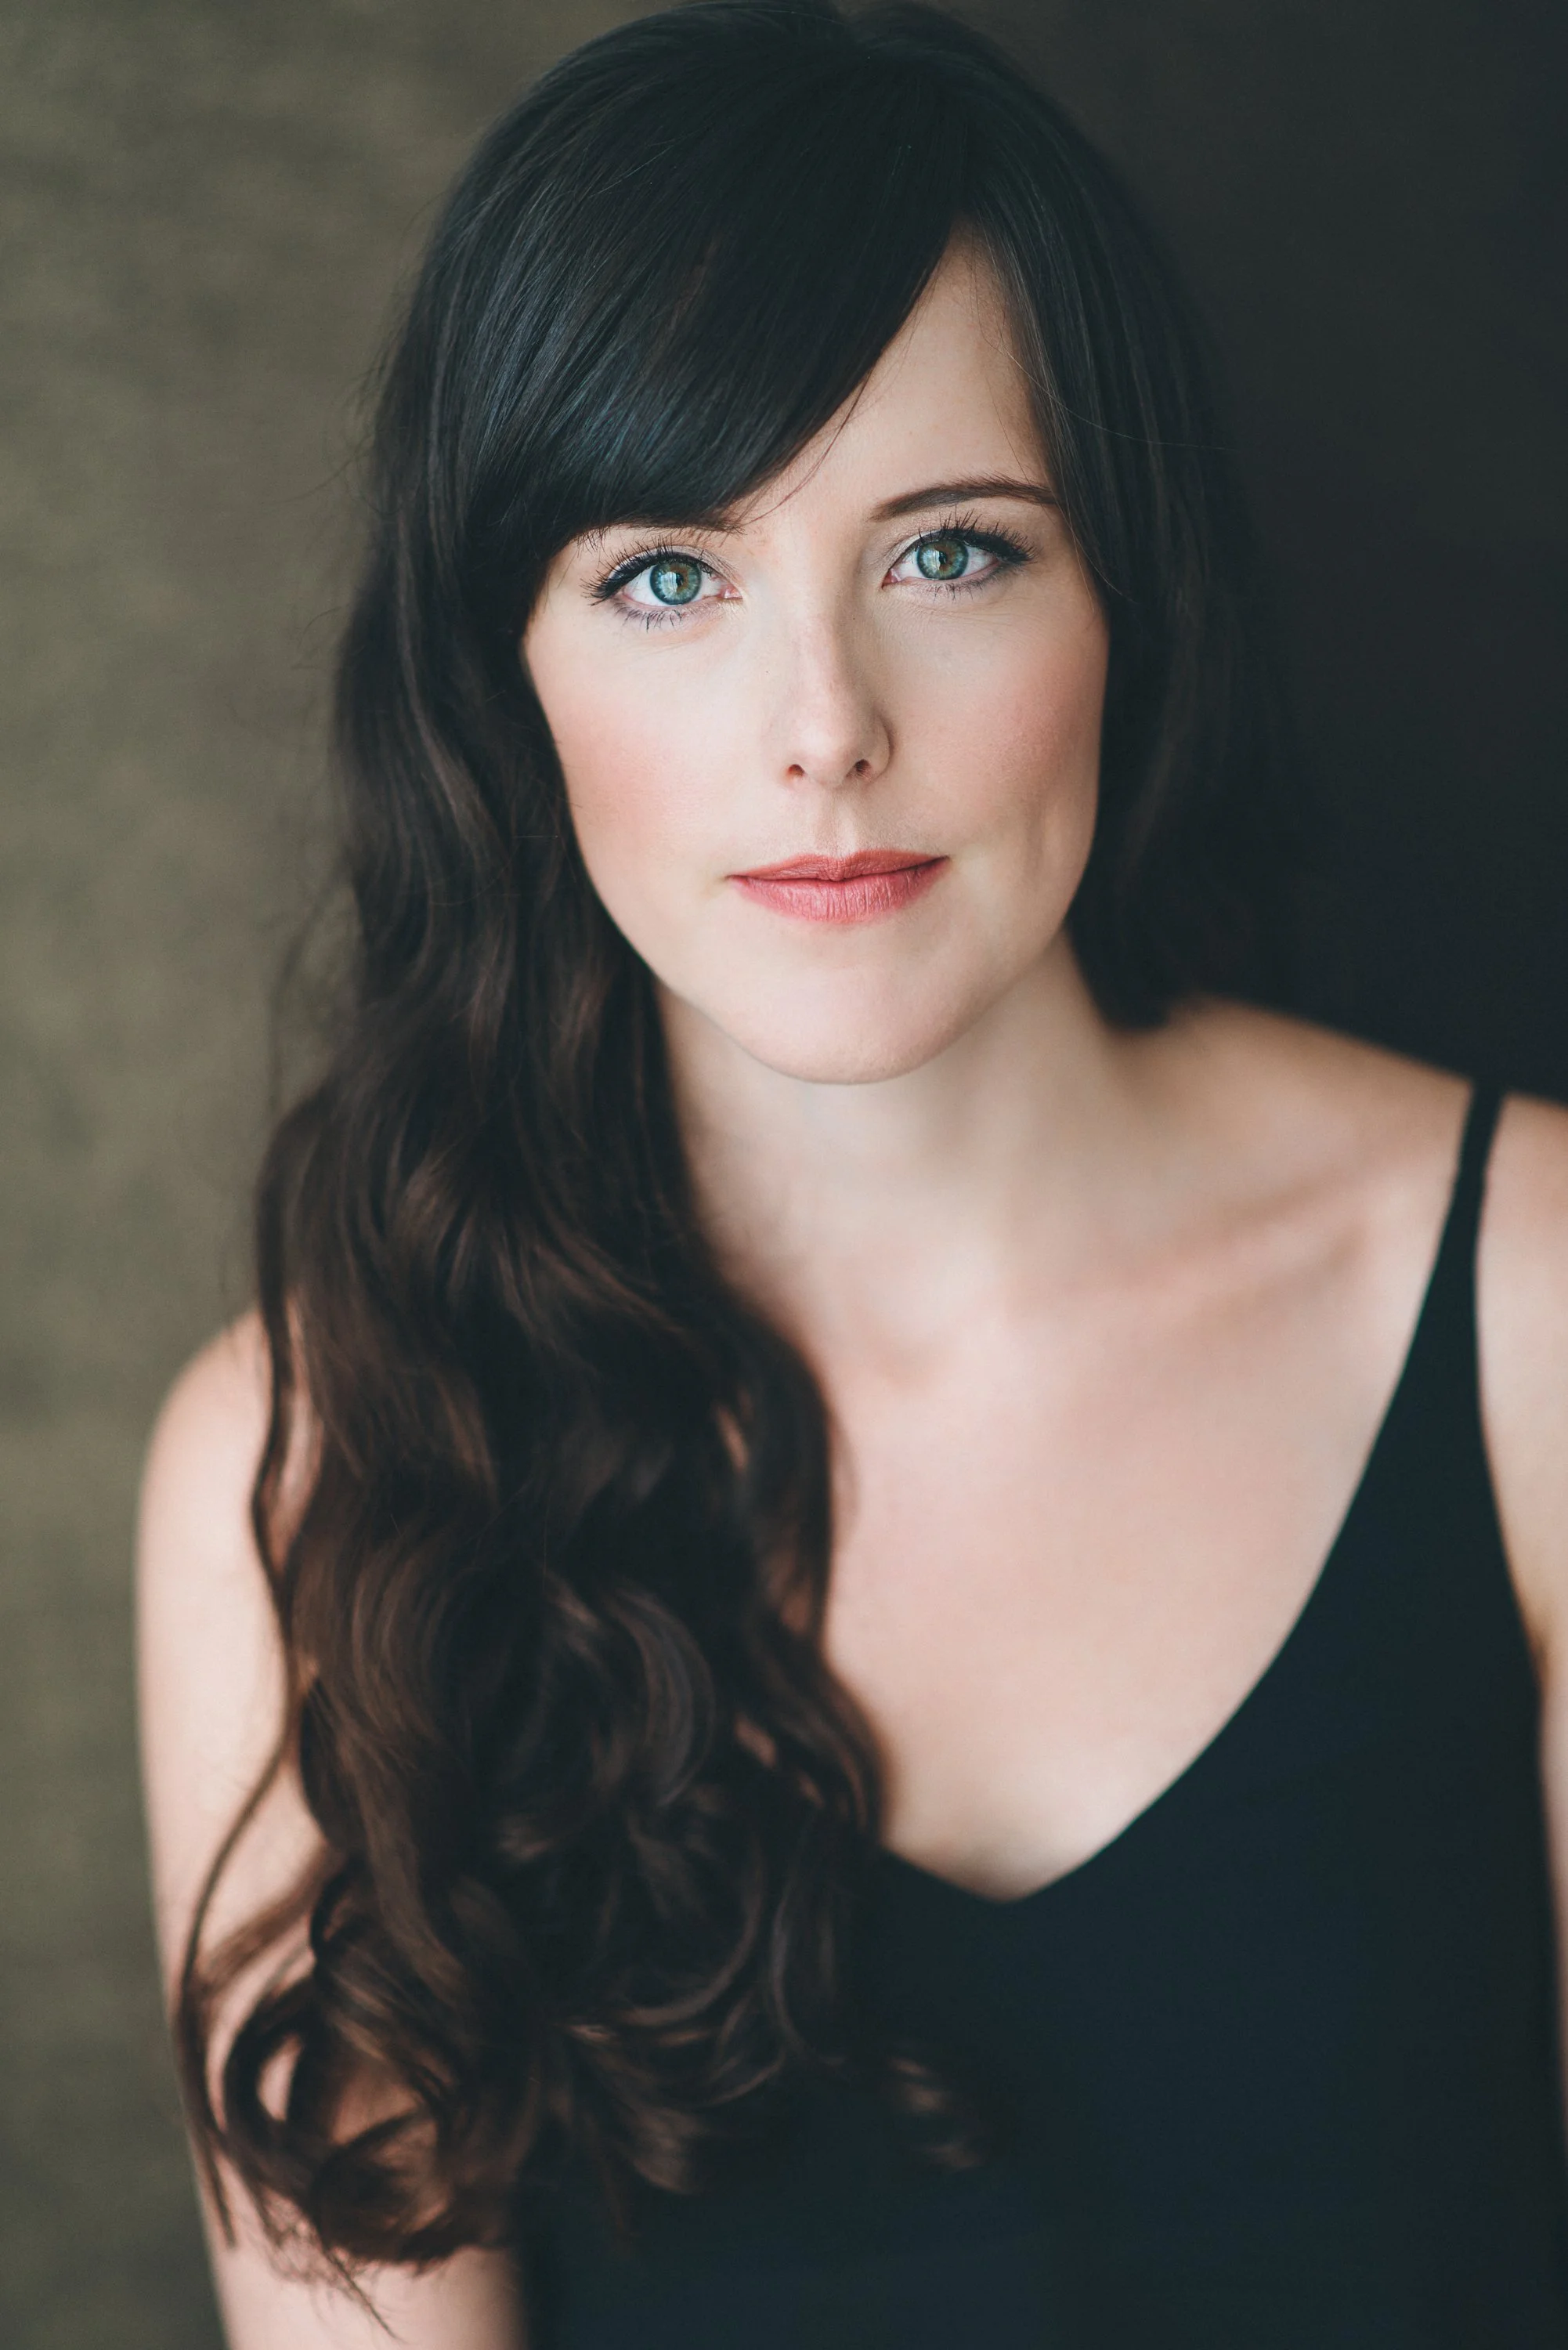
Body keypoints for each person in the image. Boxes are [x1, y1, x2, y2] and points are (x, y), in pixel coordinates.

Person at [135, 2, 1568, 2343]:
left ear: (1127, 598)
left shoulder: (1532, 1309)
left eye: (954, 552)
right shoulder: (304, 1470)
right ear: (503, 671)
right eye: (667, 577)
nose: (827, 730)